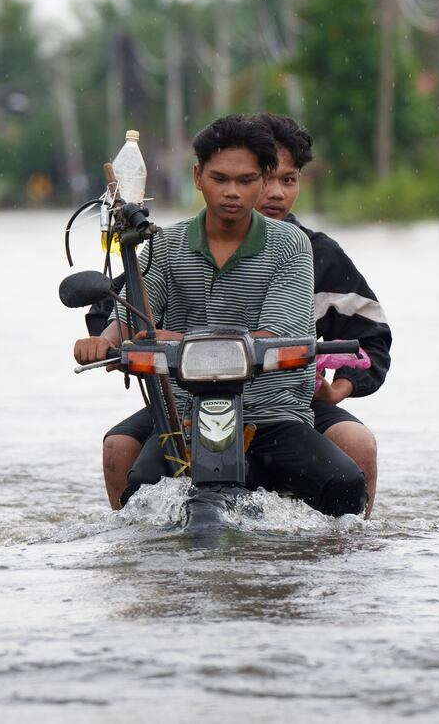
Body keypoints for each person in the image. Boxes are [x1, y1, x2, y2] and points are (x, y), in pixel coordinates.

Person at [76, 114, 366, 518]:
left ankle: (331, 570)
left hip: (271, 412)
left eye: (246, 180)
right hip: (185, 417)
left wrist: (168, 339)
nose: (232, 191)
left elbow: (273, 333)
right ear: (198, 177)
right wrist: (105, 341)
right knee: (142, 492)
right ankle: (151, 577)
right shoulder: (165, 245)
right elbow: (135, 315)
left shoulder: (292, 246)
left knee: (344, 484)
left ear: (263, 180)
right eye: (219, 178)